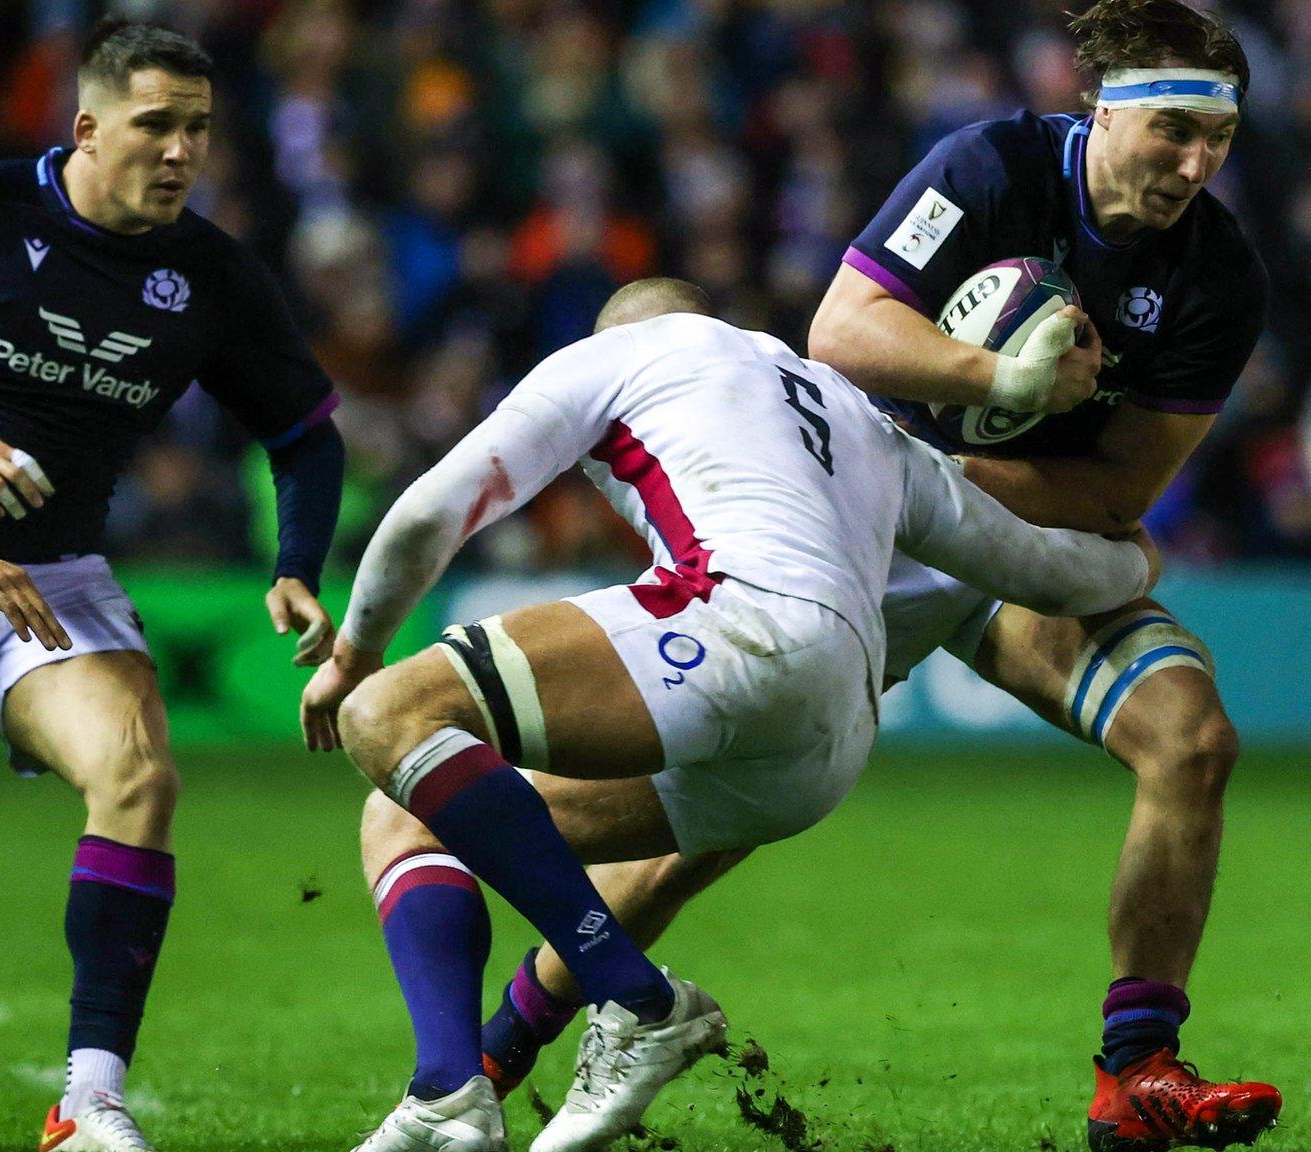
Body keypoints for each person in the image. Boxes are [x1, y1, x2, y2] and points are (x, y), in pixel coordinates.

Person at [501, 4, 1284, 1150]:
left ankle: (1135, 1077)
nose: (1194, 162)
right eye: (1170, 130)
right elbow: (844, 335)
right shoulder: (992, 166)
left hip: (1011, 544)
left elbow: (1119, 490)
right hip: (854, 532)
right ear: (1100, 103)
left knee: (1190, 738)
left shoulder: (1219, 274)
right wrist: (997, 384)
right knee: (702, 835)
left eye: (1215, 140)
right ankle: (490, 1050)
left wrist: (959, 475)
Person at [299, 278, 1159, 1152]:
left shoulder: (628, 351)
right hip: (827, 746)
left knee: (388, 716)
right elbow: (1041, 571)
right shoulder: (864, 420)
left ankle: (637, 1001)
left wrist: (355, 657)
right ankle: (450, 1090)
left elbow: (435, 510)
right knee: (407, 813)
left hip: (739, 620)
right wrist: (1131, 564)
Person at [0, 20, 344, 1152]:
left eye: (197, 130)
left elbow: (305, 431)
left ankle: (88, 1103)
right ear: (88, 126)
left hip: (56, 578)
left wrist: (295, 563)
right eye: (155, 125)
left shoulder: (209, 274)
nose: (181, 152)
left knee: (140, 777)